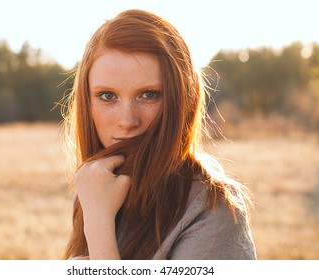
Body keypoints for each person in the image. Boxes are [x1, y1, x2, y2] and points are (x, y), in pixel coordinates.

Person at [62, 9, 256, 260]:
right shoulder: (94, 189)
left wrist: (99, 227)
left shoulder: (212, 209)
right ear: (87, 102)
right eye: (108, 96)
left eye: (149, 95)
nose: (127, 121)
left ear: (181, 99)